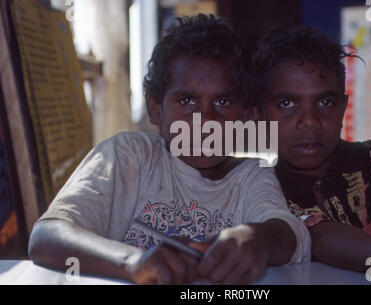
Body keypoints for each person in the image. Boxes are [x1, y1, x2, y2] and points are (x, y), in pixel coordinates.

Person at [28, 15, 310, 285]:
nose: (205, 121)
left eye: (223, 102)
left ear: (246, 113)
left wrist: (258, 238)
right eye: (187, 100)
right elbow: (48, 235)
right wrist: (131, 262)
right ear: (155, 107)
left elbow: (288, 233)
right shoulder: (130, 156)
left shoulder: (250, 175)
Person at [251, 26, 371, 285]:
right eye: (286, 103)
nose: (309, 121)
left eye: (325, 102)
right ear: (258, 115)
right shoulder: (259, 194)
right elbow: (316, 237)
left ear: (343, 108)